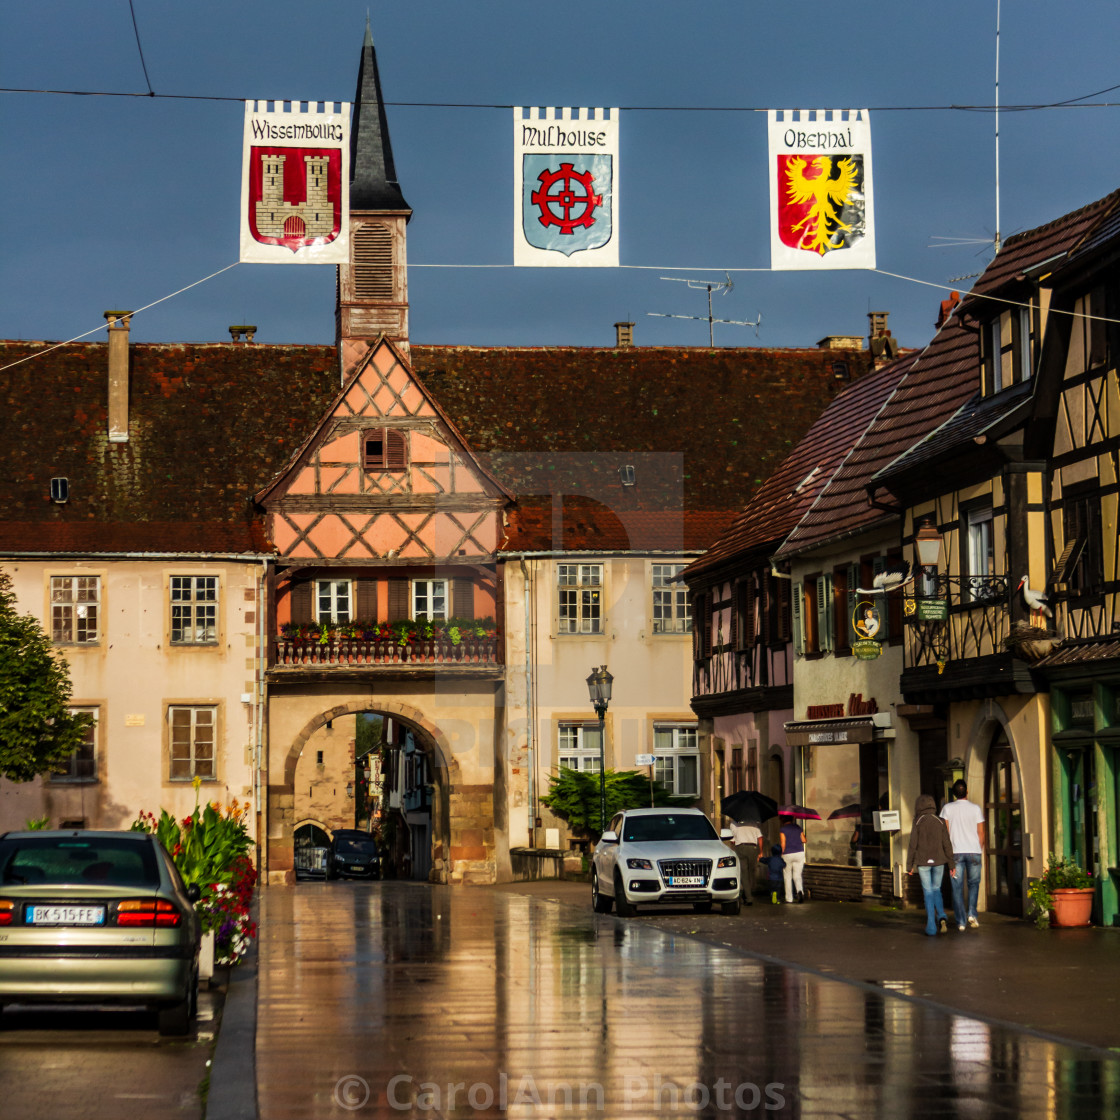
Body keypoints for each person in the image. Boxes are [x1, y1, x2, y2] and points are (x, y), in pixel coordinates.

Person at [906, 793, 957, 936]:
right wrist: (951, 865)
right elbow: (947, 843)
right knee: (936, 889)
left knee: (928, 892)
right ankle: (941, 915)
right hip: (940, 861)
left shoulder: (917, 821)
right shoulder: (940, 821)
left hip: (923, 862)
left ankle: (931, 926)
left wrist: (909, 866)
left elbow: (912, 845)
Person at [940, 779, 986, 930]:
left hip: (955, 853)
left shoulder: (947, 809)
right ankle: (972, 913)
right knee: (973, 884)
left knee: (957, 887)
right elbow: (981, 832)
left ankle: (961, 921)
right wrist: (978, 848)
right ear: (967, 791)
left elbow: (945, 833)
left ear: (954, 794)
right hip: (974, 851)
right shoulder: (976, 808)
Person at [728, 819, 764, 905]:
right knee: (751, 872)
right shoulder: (754, 823)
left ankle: (748, 896)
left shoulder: (734, 824)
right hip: (753, 848)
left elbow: (732, 840)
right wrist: (761, 851)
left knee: (744, 873)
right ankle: (748, 894)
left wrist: (732, 850)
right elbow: (760, 838)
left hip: (740, 848)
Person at [779, 816, 806, 903]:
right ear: (792, 819)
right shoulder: (798, 827)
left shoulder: (783, 829)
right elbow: (804, 840)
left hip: (788, 853)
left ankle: (789, 898)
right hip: (799, 853)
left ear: (783, 820)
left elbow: (783, 843)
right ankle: (800, 891)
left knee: (787, 876)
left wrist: (781, 854)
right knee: (797, 875)